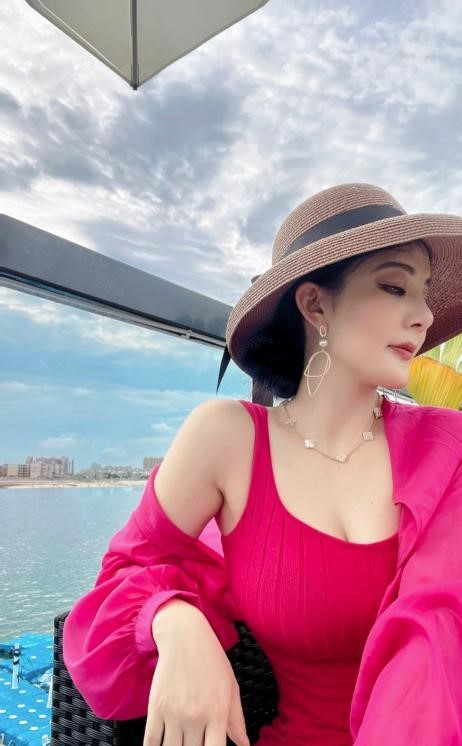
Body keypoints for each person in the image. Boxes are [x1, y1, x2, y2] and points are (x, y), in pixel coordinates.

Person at [63, 182, 462, 746]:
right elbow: (120, 579)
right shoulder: (227, 438)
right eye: (395, 287)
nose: (422, 316)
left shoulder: (447, 447)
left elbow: (441, 622)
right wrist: (171, 618)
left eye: (424, 294)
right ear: (315, 304)